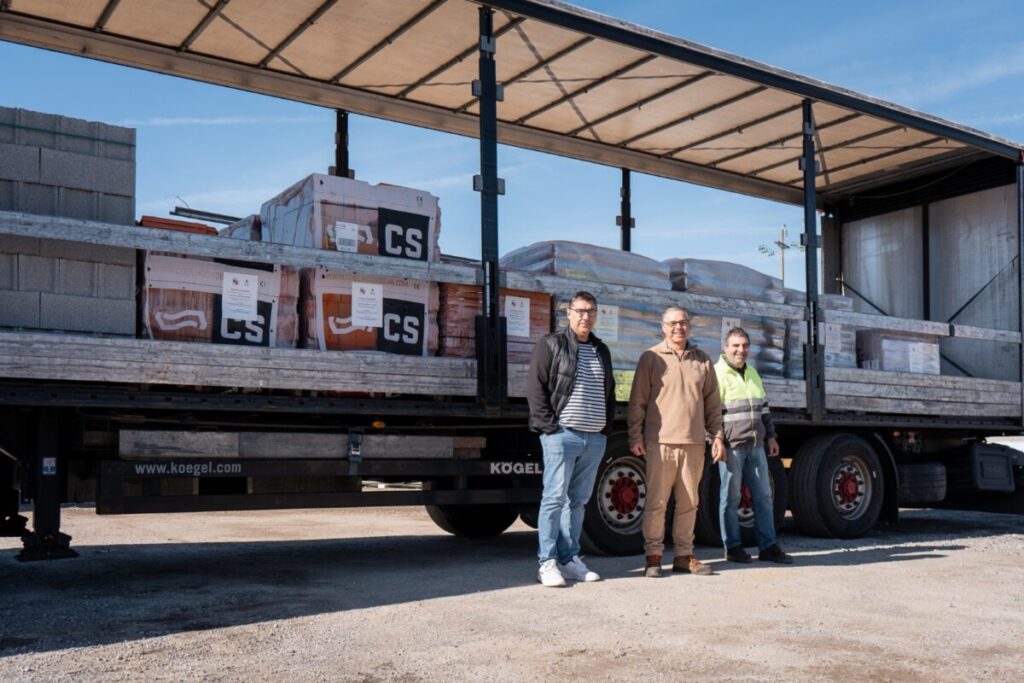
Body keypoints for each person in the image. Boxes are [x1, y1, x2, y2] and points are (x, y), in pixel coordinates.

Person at [527, 291, 616, 587]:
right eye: (580, 311)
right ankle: (547, 562)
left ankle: (570, 559)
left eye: (590, 311)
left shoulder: (601, 350)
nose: (585, 316)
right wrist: (549, 427)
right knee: (553, 499)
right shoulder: (551, 344)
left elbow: (610, 392)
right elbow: (536, 388)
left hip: (594, 438)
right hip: (562, 435)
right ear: (568, 313)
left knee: (577, 502)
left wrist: (604, 430)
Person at [628, 305, 725, 578]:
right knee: (657, 502)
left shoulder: (702, 360)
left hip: (694, 443)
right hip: (660, 442)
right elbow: (638, 401)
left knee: (689, 503)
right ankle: (654, 556)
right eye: (672, 323)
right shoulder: (651, 358)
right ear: (663, 327)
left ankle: (684, 555)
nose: (677, 328)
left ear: (689, 326)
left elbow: (713, 404)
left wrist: (717, 435)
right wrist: (635, 435)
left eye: (682, 323)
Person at [715, 327, 793, 565]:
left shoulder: (753, 374)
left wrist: (771, 436)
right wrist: (717, 439)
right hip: (732, 446)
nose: (741, 350)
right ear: (725, 348)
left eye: (745, 345)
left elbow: (764, 408)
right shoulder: (717, 374)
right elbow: (711, 412)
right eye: (736, 346)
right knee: (730, 498)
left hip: (756, 445)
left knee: (763, 496)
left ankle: (768, 546)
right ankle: (733, 547)